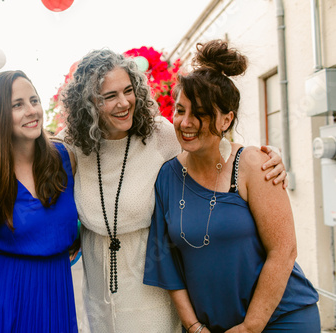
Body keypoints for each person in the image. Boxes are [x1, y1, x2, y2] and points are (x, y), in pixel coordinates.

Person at [57, 48, 288, 332]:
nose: (124, 103)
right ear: (89, 103)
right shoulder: (73, 148)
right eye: (109, 96)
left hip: (153, 294)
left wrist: (268, 155)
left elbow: (216, 151)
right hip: (97, 296)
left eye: (128, 91)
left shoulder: (160, 134)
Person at [143, 39, 320, 333]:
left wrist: (251, 327)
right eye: (179, 110)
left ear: (226, 119)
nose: (185, 122)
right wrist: (194, 327)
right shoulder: (166, 177)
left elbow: (284, 251)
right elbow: (166, 264)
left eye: (200, 113)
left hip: (282, 320)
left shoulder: (253, 164)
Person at [0, 70, 79, 333]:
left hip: (54, 289)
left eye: (34, 100)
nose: (31, 110)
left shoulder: (65, 158)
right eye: (18, 105)